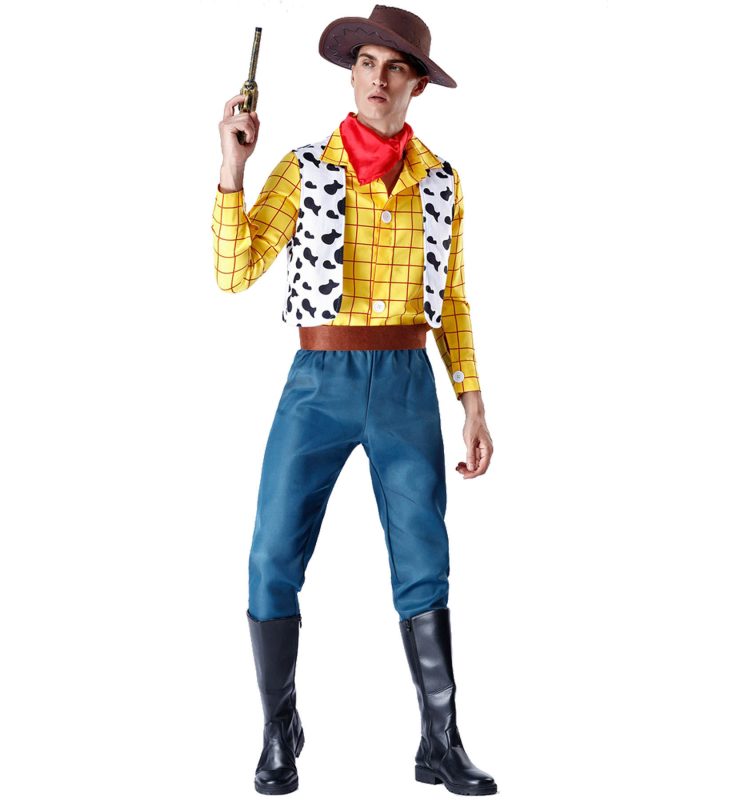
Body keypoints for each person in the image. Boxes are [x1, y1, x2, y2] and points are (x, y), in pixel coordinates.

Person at [211, 5, 497, 795]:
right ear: (352, 72)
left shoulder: (441, 181)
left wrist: (472, 401)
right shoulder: (305, 168)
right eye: (367, 62)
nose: (379, 78)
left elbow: (454, 298)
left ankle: (440, 740)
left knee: (424, 562)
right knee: (273, 553)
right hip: (320, 381)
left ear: (415, 86)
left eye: (395, 67)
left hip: (407, 381)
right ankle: (278, 729)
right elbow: (234, 274)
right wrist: (232, 168)